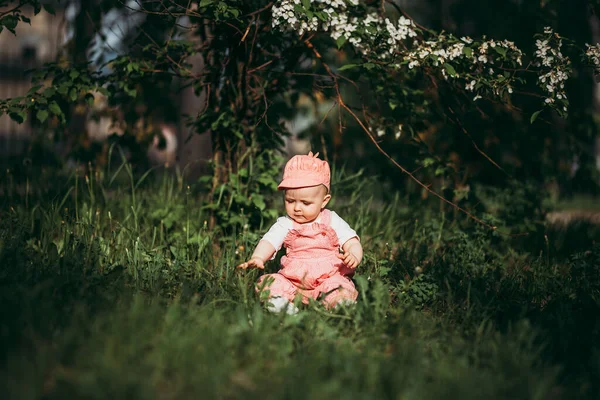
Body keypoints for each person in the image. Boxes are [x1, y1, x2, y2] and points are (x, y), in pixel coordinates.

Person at [237, 151, 363, 314]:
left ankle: (340, 305)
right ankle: (283, 307)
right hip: (294, 281)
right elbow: (269, 241)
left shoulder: (332, 220)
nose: (297, 208)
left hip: (328, 277)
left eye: (305, 203)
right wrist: (258, 257)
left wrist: (354, 255)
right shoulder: (286, 223)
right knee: (267, 283)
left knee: (339, 286)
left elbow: (352, 241)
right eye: (290, 201)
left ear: (324, 201)